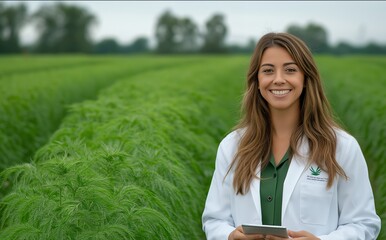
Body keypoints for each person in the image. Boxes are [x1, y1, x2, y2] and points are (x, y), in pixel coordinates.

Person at [202, 32, 381, 240]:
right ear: (257, 81)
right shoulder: (232, 146)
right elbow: (214, 220)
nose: (278, 79)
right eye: (268, 70)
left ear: (305, 79)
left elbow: (363, 224)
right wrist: (230, 236)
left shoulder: (342, 147)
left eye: (290, 70)